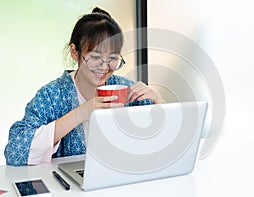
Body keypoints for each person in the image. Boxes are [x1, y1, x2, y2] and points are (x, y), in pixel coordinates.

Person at [4, 7, 165, 166]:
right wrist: (79, 114)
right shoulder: (52, 95)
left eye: (112, 58)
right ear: (75, 52)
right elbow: (15, 152)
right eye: (95, 57)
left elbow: (165, 141)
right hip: (71, 188)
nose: (104, 67)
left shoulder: (126, 89)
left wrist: (159, 100)